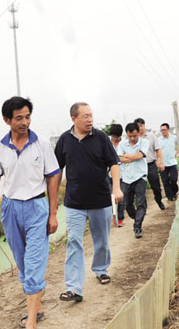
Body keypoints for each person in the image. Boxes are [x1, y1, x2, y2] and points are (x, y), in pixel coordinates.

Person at [0, 96, 61, 329]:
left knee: (35, 262)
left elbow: (53, 177)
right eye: (19, 118)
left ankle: (31, 326)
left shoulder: (42, 144)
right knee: (23, 263)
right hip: (10, 209)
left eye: (27, 117)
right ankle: (36, 307)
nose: (25, 122)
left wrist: (52, 212)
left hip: (37, 207)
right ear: (7, 120)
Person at [54, 102, 123, 302]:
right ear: (74, 119)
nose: (90, 119)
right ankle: (74, 288)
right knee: (74, 241)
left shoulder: (100, 137)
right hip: (74, 202)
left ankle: (101, 269)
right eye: (85, 116)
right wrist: (53, 197)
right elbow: (57, 170)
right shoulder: (64, 140)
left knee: (101, 240)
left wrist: (116, 188)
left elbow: (114, 163)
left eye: (91, 115)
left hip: (100, 200)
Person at [117, 123, 149, 238]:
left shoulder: (144, 142)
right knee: (127, 203)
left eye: (134, 136)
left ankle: (137, 227)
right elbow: (119, 158)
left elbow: (140, 156)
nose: (132, 138)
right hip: (127, 178)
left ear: (138, 133)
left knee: (140, 203)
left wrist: (126, 155)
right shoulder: (122, 144)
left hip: (140, 176)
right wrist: (133, 156)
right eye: (130, 136)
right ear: (126, 134)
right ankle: (137, 217)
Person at [134, 117, 165, 210]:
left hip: (151, 165)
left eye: (141, 125)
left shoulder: (151, 137)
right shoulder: (134, 138)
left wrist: (161, 162)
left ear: (144, 126)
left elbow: (158, 150)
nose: (140, 128)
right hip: (139, 166)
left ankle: (158, 200)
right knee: (140, 189)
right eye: (138, 126)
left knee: (156, 187)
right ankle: (143, 208)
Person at [108, 123, 126, 227]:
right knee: (111, 198)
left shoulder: (124, 144)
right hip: (109, 175)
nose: (115, 138)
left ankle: (120, 219)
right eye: (113, 136)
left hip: (122, 175)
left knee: (121, 198)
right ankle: (114, 217)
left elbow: (125, 158)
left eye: (117, 136)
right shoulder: (107, 143)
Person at [159, 123, 179, 201]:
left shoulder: (174, 138)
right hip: (163, 164)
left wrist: (177, 152)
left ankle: (174, 192)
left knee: (174, 179)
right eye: (161, 130)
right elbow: (156, 151)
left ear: (168, 130)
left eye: (164, 130)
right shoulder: (158, 140)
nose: (162, 131)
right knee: (165, 181)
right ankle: (169, 197)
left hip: (172, 162)